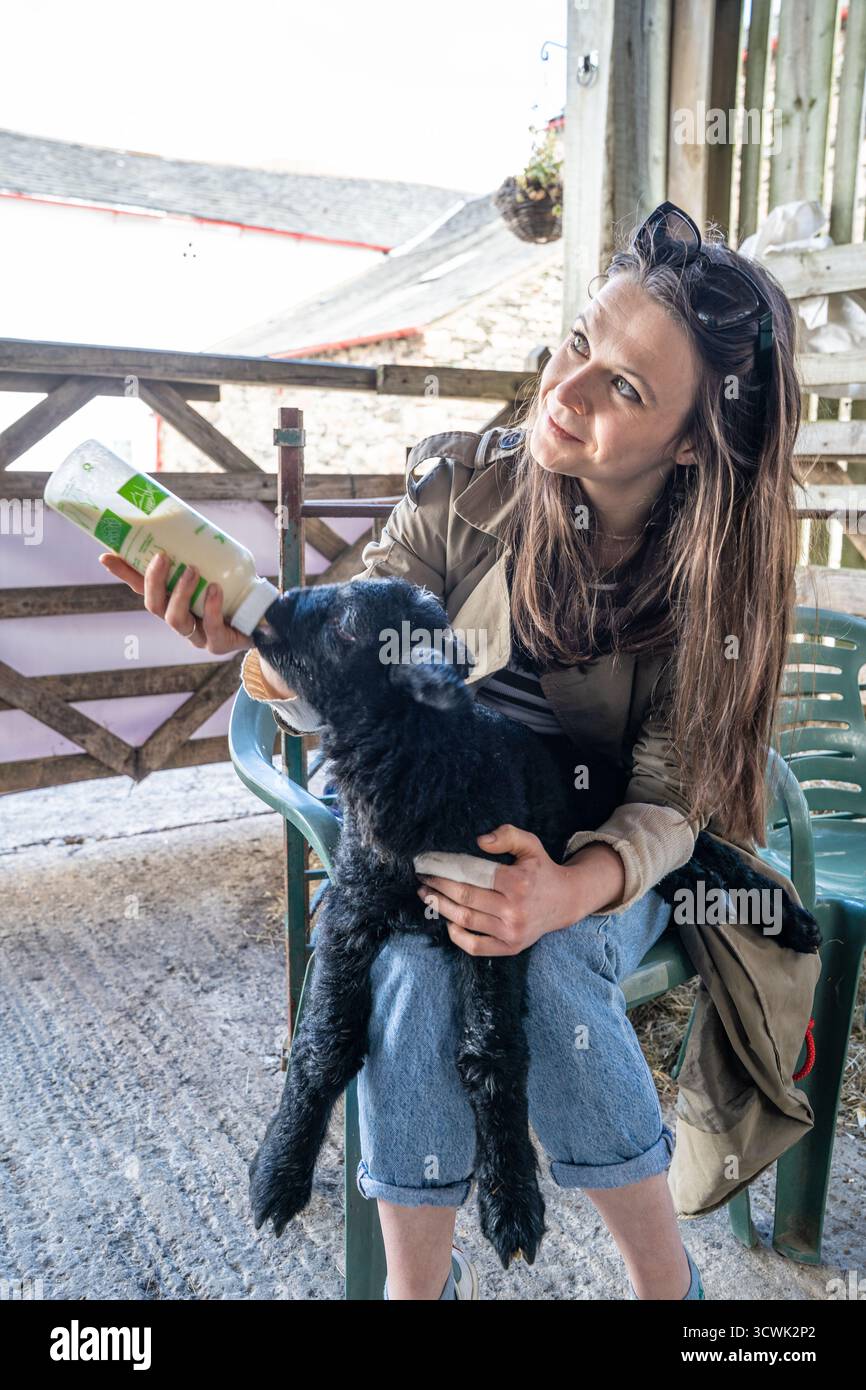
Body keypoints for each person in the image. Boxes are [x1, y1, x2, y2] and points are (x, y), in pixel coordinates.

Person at [100, 202, 806, 1302]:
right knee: (406, 972)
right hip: (437, 832)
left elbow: (675, 797)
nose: (564, 392)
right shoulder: (460, 487)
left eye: (623, 387)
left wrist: (569, 888)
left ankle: (669, 1294)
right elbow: (352, 669)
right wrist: (256, 647)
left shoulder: (709, 576)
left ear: (688, 441)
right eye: (578, 342)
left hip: (603, 851)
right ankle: (412, 1291)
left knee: (555, 966)